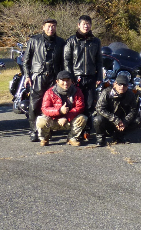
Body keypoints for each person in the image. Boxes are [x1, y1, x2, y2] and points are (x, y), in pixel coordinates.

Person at [24, 18, 65, 143]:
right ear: (43, 27)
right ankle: (34, 130)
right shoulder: (34, 40)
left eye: (53, 26)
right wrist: (27, 76)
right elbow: (26, 60)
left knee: (52, 104)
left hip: (54, 77)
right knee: (34, 105)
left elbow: (64, 62)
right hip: (38, 76)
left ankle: (48, 130)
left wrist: (63, 78)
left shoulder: (61, 42)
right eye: (48, 26)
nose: (51, 28)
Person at [64, 15, 103, 143]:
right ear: (78, 25)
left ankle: (87, 129)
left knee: (90, 104)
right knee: (77, 104)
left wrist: (99, 76)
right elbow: (67, 60)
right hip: (76, 77)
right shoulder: (71, 41)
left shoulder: (96, 41)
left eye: (88, 24)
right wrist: (70, 77)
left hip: (91, 76)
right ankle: (76, 130)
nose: (86, 26)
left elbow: (99, 61)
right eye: (84, 24)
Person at [36, 70, 87, 146]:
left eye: (68, 80)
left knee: (82, 118)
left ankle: (72, 138)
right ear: (57, 81)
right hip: (54, 120)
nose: (65, 83)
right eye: (63, 80)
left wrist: (66, 117)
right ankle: (45, 138)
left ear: (71, 81)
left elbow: (80, 107)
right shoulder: (49, 92)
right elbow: (45, 109)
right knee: (41, 120)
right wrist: (59, 111)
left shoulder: (77, 91)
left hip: (69, 120)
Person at [92, 73, 138, 146]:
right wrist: (115, 119)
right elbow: (99, 108)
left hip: (122, 121)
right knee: (97, 119)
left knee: (138, 121)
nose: (122, 87)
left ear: (128, 86)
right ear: (115, 84)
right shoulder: (106, 92)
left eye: (125, 85)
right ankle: (100, 139)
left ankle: (119, 136)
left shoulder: (130, 94)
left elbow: (133, 110)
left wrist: (125, 122)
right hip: (108, 120)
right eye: (120, 84)